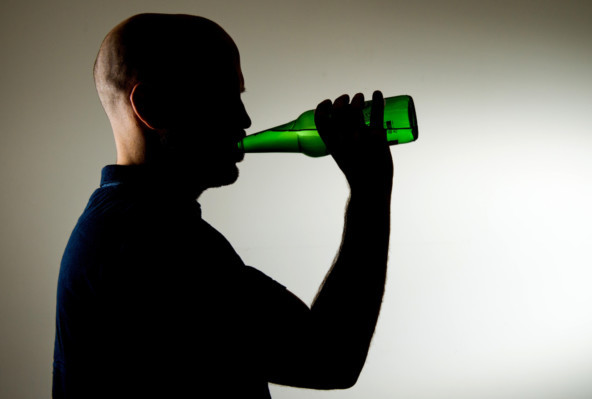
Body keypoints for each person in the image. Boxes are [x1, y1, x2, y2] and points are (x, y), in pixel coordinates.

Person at [53, 13, 393, 399]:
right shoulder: (154, 243)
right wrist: (370, 189)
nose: (244, 119)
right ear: (151, 106)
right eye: (221, 96)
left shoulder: (118, 225)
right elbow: (330, 358)